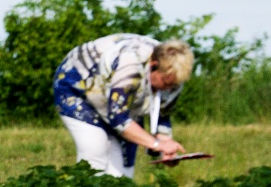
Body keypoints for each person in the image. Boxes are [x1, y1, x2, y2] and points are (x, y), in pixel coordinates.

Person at [54, 34, 194, 178]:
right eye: (165, 82)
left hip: (124, 99)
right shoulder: (129, 65)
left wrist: (166, 146)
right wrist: (156, 144)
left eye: (173, 85)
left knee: (124, 167)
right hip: (78, 87)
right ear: (154, 66)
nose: (168, 89)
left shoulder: (174, 76)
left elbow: (162, 115)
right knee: (95, 148)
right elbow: (119, 120)